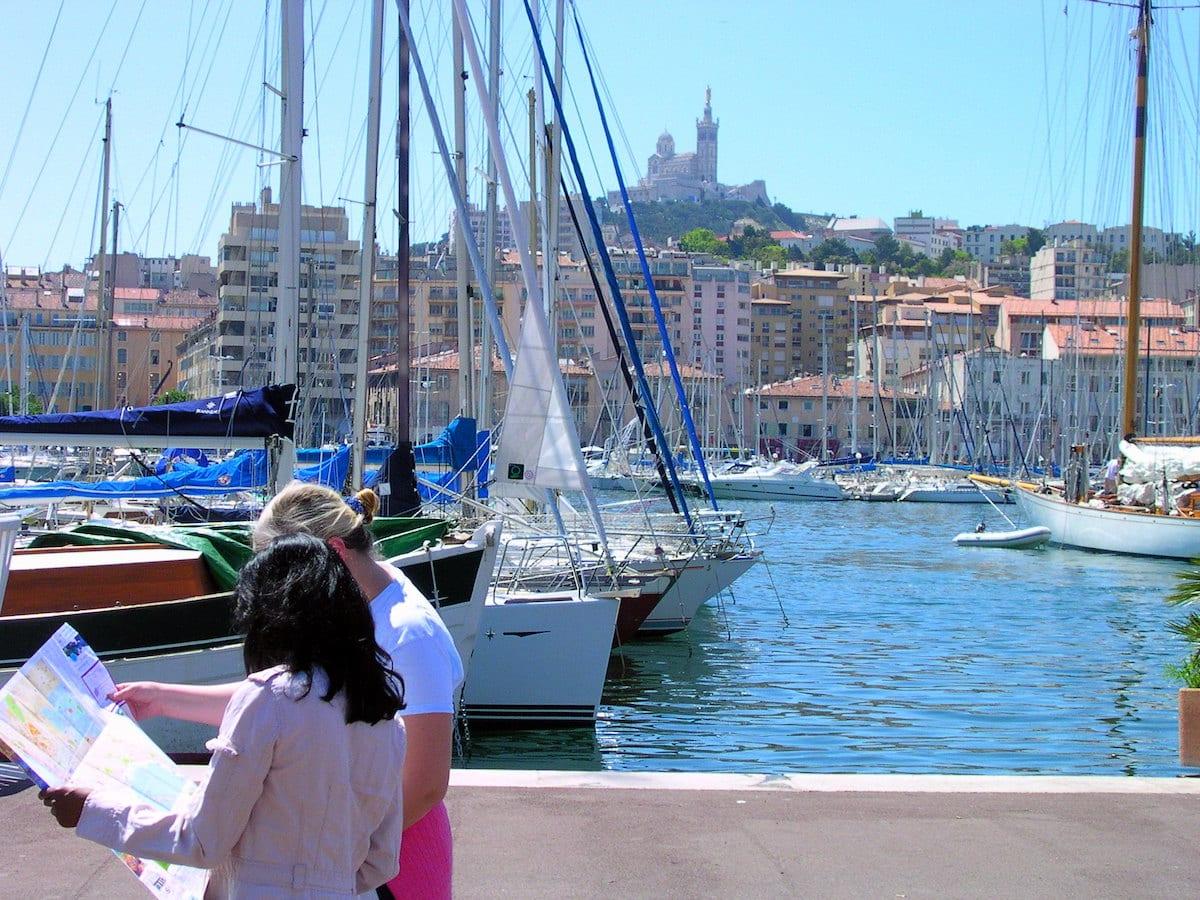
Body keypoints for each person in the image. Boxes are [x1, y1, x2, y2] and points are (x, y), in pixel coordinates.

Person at [111, 484, 461, 899]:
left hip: (390, 870)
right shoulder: (367, 603)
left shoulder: (408, 634)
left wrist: (324, 853)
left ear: (333, 552)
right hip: (349, 859)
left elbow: (424, 783)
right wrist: (162, 699)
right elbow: (290, 700)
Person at [41, 533, 407, 897]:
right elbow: (382, 861)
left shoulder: (270, 697)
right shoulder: (383, 712)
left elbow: (204, 840)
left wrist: (92, 808)